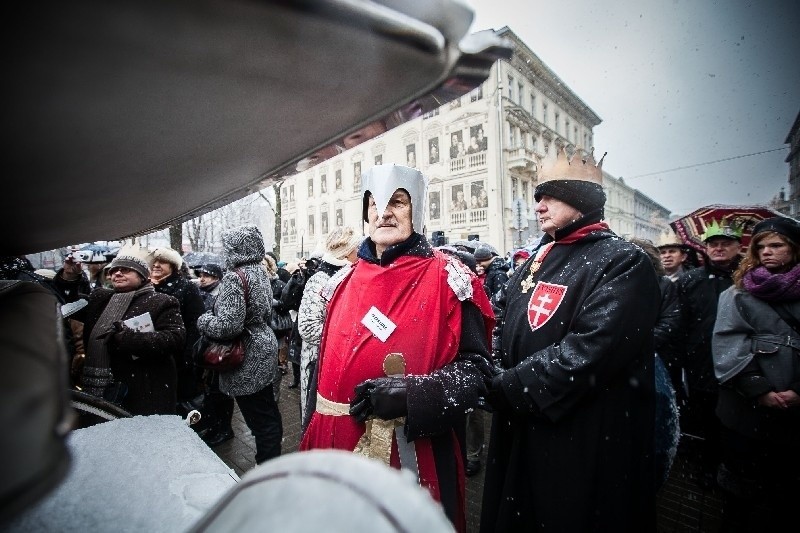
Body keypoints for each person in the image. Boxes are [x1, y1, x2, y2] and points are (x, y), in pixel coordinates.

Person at [300, 164, 495, 532]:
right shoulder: (341, 281)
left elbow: (479, 373)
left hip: (410, 461)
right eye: (373, 203)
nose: (383, 211)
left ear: (416, 208)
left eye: (397, 202)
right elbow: (322, 377)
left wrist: (415, 395)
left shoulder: (451, 279)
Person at [481, 147, 660, 532]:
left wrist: (509, 385)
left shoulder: (622, 260)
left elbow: (593, 349)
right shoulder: (540, 256)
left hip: (579, 430)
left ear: (581, 199)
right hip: (523, 421)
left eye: (549, 195)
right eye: (537, 197)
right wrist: (493, 362)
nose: (539, 206)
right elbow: (502, 316)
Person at [712, 216, 800, 531]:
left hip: (794, 411)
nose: (767, 252)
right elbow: (727, 342)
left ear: (794, 248)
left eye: (776, 245)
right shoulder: (736, 294)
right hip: (744, 408)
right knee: (740, 485)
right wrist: (759, 388)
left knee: (785, 487)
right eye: (761, 246)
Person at [196, 224, 283, 464]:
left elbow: (228, 326)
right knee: (267, 412)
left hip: (247, 354)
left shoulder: (235, 277)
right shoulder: (259, 270)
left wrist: (204, 320)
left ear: (234, 249)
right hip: (263, 346)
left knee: (259, 418)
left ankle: (267, 468)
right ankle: (271, 460)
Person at [78, 249, 186, 415]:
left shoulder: (161, 301)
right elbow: (69, 302)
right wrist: (69, 275)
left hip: (142, 387)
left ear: (142, 276)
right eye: (113, 270)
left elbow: (175, 338)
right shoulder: (100, 298)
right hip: (98, 384)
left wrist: (128, 339)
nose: (118, 273)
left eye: (126, 269)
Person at [676, 220, 743, 488]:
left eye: (725, 243)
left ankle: (730, 467)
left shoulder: (748, 280)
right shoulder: (691, 280)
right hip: (699, 362)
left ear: (739, 246)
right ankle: (702, 468)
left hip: (739, 364)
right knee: (702, 416)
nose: (718, 248)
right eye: (713, 243)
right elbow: (680, 322)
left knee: (732, 420)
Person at [630, 238, 682, 491]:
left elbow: (669, 323)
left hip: (652, 361)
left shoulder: (663, 286)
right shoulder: (617, 283)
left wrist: (638, 344)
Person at [296, 226, 361, 427]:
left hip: (338, 361)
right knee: (317, 419)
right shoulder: (321, 279)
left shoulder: (350, 275)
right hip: (318, 362)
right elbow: (307, 326)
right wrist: (346, 338)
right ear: (348, 252)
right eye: (357, 248)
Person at [150, 247, 206, 406]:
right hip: (153, 354)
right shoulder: (147, 287)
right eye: (154, 261)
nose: (156, 265)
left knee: (180, 401)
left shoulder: (186, 287)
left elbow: (196, 323)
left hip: (179, 357)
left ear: (173, 266)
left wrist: (189, 357)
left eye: (162, 261)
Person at [191, 262, 235, 447]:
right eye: (201, 275)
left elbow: (224, 324)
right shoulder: (199, 292)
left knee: (221, 393)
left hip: (219, 352)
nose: (202, 278)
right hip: (206, 350)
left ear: (217, 277)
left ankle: (225, 429)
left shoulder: (222, 295)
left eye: (207, 275)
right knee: (210, 392)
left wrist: (205, 321)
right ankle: (214, 425)